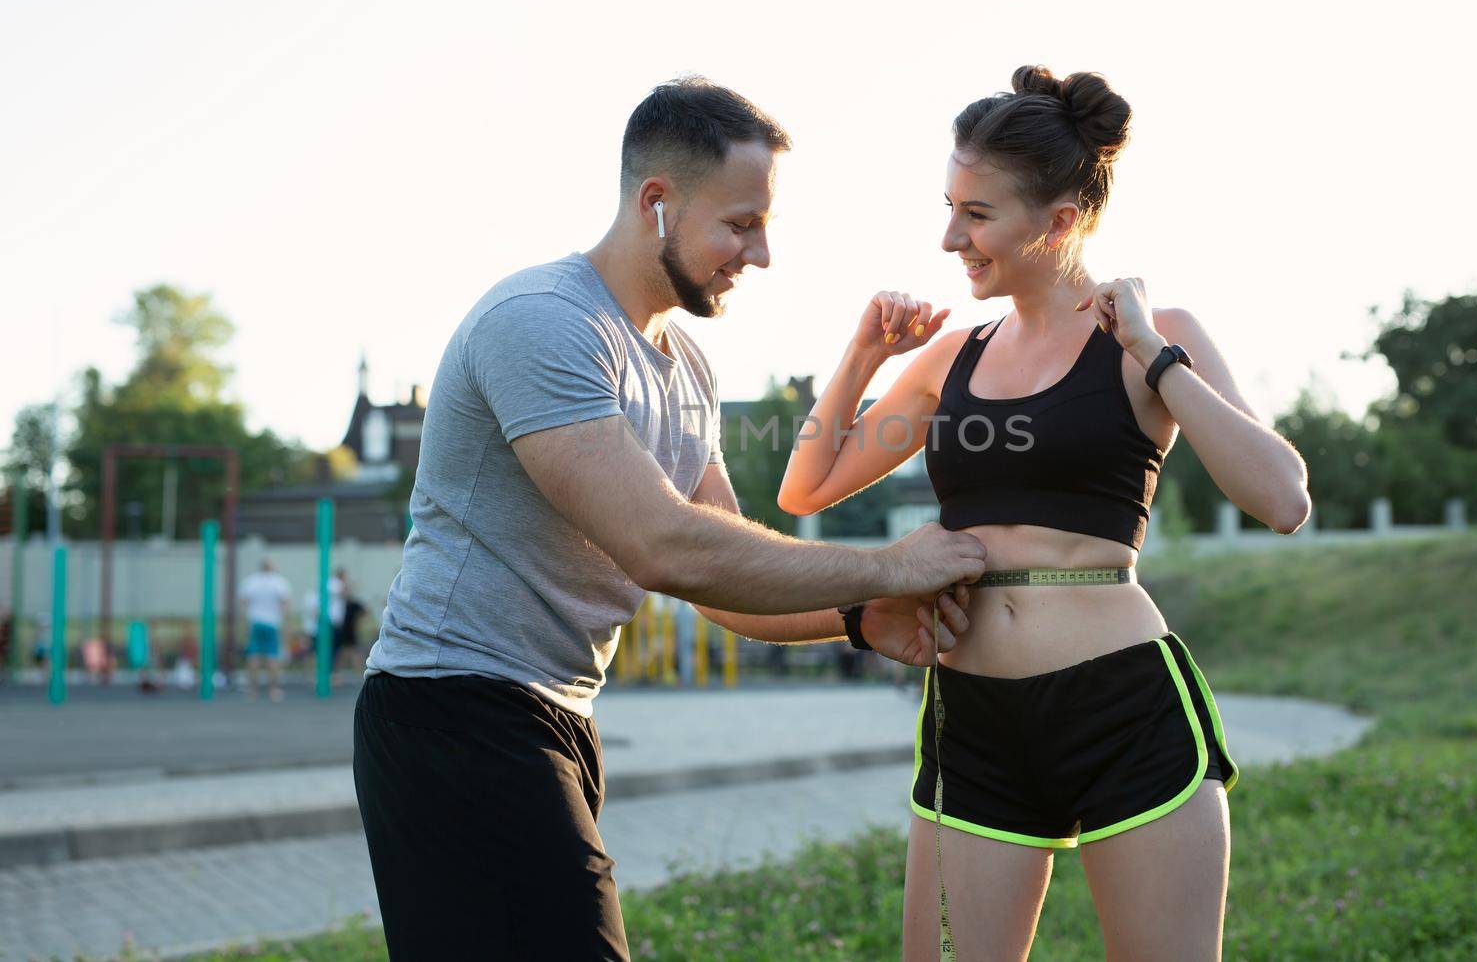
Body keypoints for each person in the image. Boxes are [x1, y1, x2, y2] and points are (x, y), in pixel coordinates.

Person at [352, 77, 988, 962]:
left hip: (556, 715)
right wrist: (889, 568)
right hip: (452, 709)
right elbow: (665, 545)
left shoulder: (684, 366)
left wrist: (857, 618)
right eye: (741, 223)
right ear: (656, 203)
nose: (760, 254)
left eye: (765, 225)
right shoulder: (541, 324)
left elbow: (726, 576)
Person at [779, 66, 1312, 961]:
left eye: (977, 214)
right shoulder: (953, 355)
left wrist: (1151, 351)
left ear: (1060, 221)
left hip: (1123, 708)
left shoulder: (1152, 332)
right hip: (973, 716)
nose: (951, 235)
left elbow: (1282, 497)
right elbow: (807, 485)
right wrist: (863, 353)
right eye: (949, 206)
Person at [238, 558, 292, 702]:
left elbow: (243, 603)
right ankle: (273, 690)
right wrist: (286, 625)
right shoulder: (279, 582)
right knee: (272, 658)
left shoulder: (251, 581)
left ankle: (252, 691)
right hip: (272, 623)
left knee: (253, 657)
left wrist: (245, 623)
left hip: (255, 622)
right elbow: (285, 605)